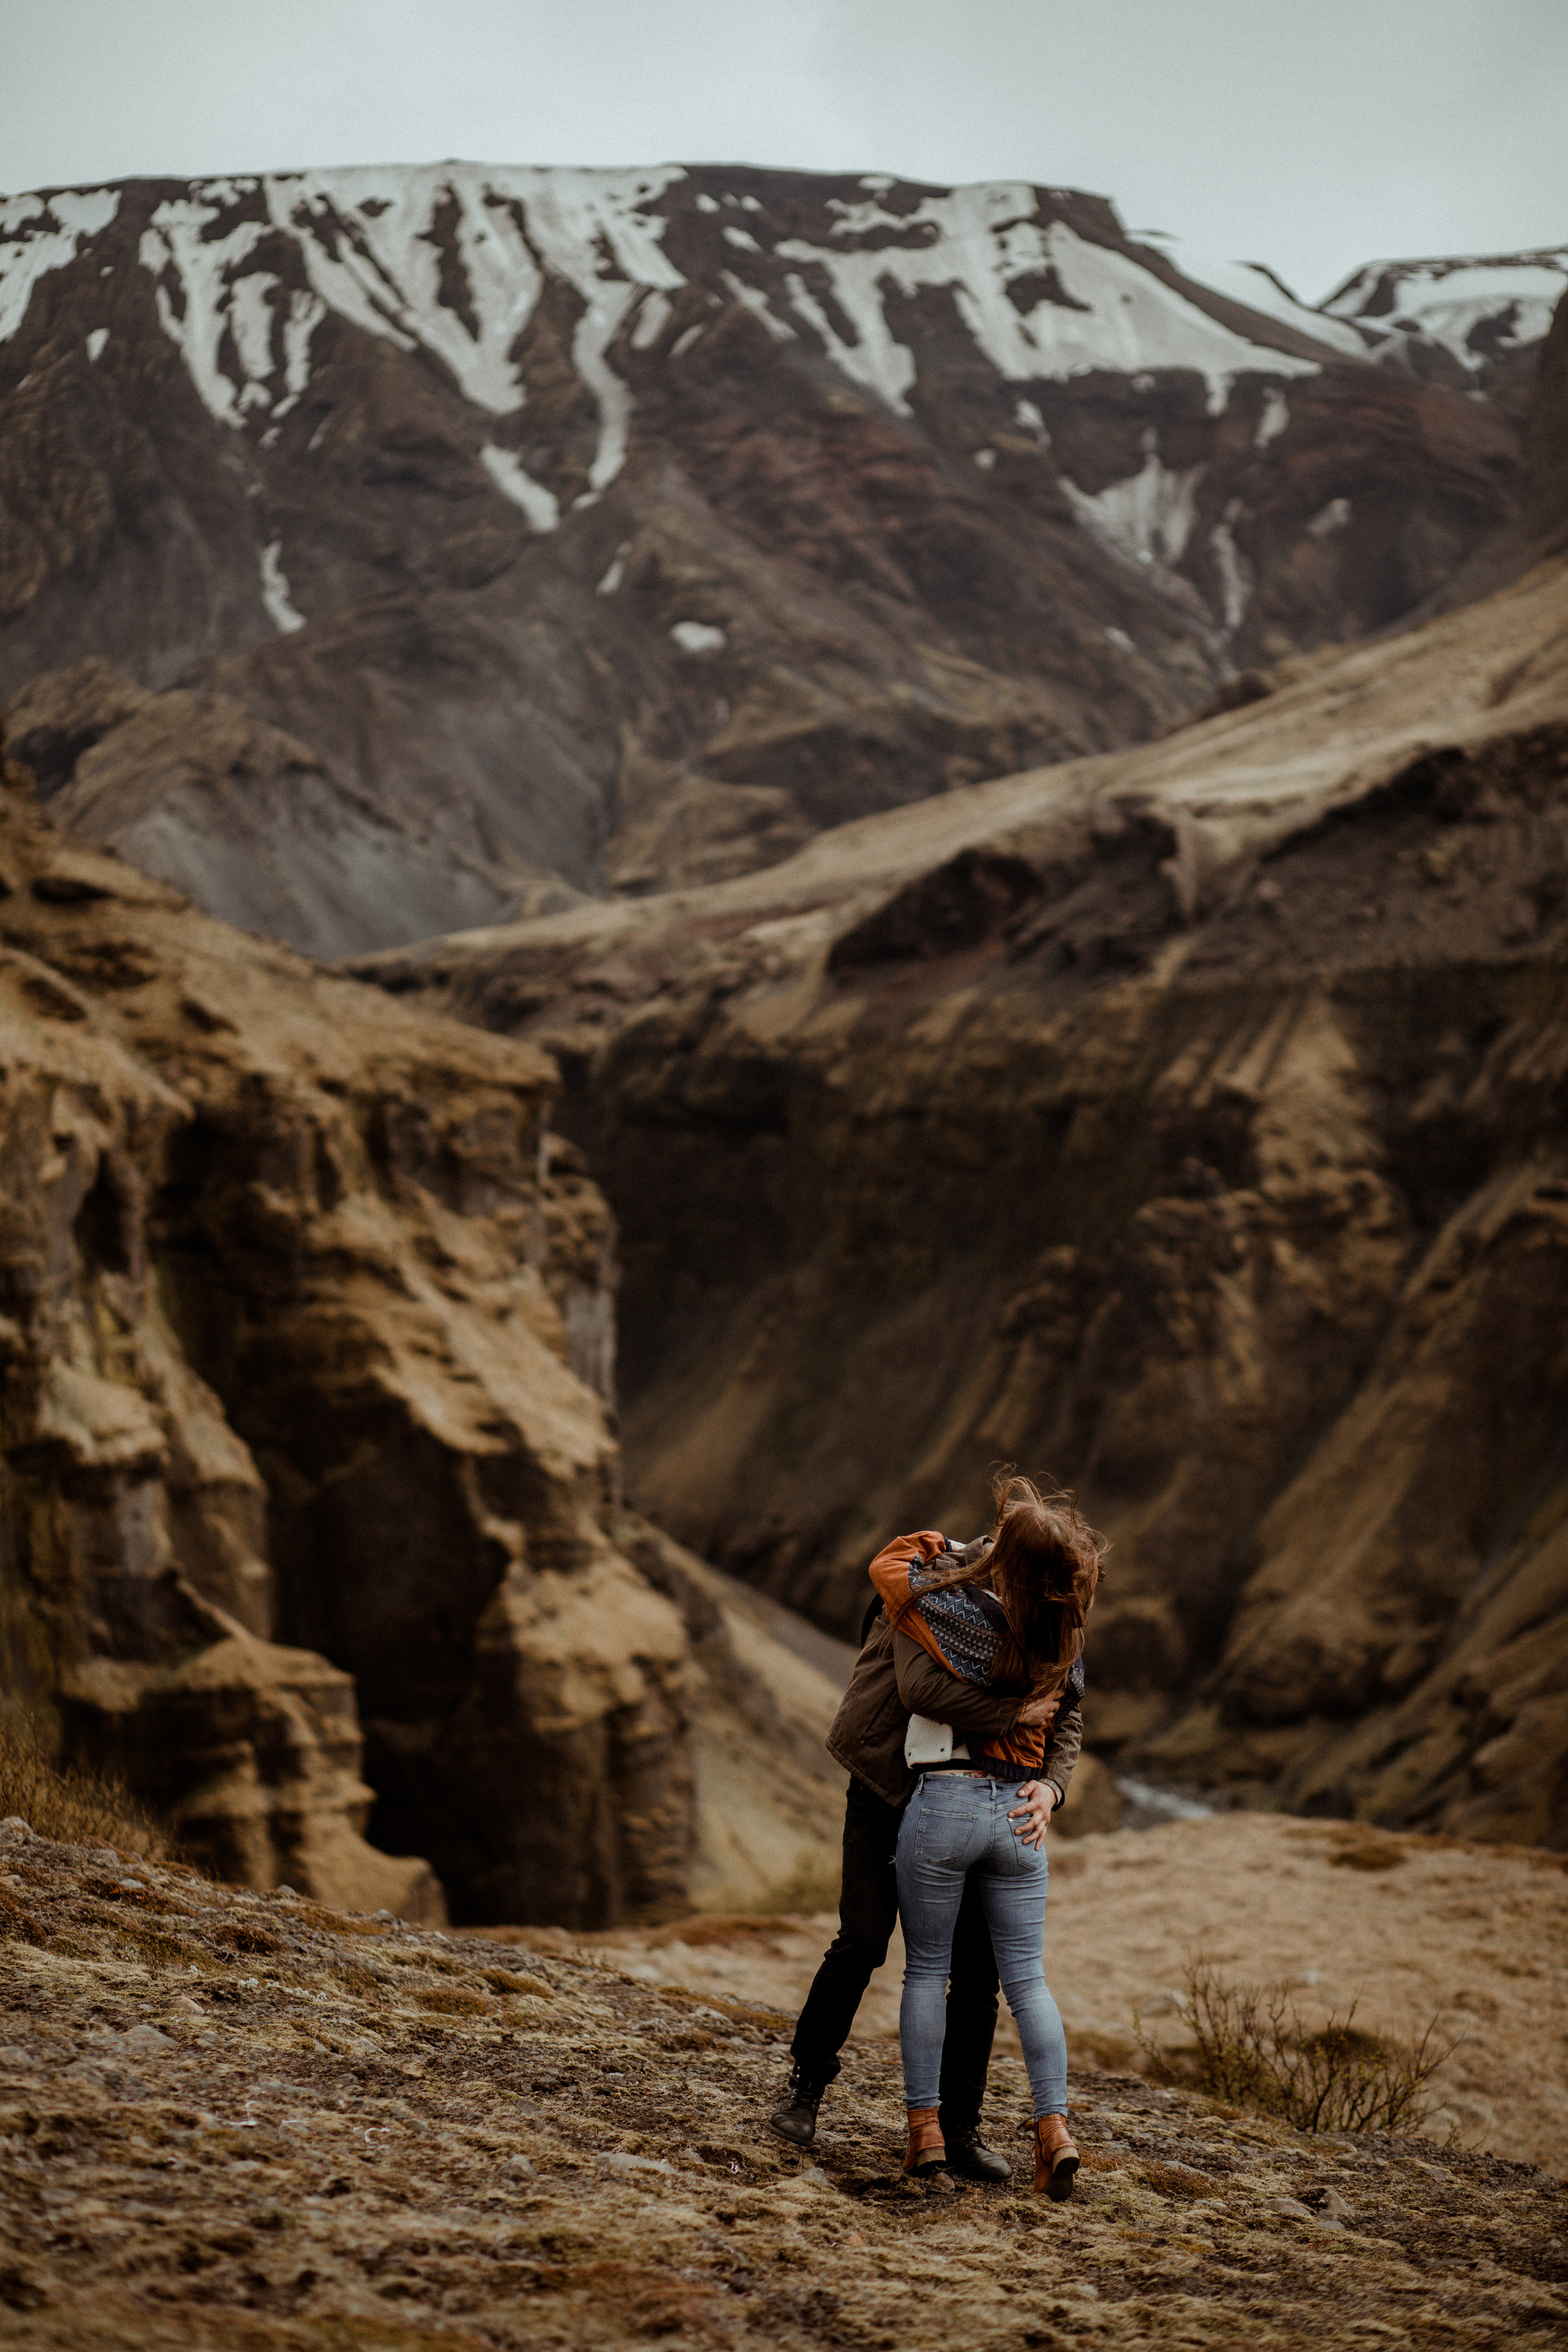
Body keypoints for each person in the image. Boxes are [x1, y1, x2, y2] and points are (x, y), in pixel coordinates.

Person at [768, 1520, 1084, 2181]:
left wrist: (1051, 1788)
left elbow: (1066, 1707)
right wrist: (1009, 1718)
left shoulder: (1037, 1603)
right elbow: (919, 1690)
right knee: (862, 1938)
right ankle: (805, 2088)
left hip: (971, 1798)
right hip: (889, 1785)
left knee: (977, 1973)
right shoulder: (930, 1585)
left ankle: (957, 2130)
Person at [873, 1472, 1105, 2198]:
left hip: (946, 1801)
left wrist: (947, 1546)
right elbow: (1068, 1712)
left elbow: (888, 1570)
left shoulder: (955, 1612)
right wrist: (1048, 1784)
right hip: (1017, 1818)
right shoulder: (1057, 1634)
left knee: (924, 1973)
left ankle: (925, 2134)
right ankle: (1054, 2129)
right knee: (1027, 1982)